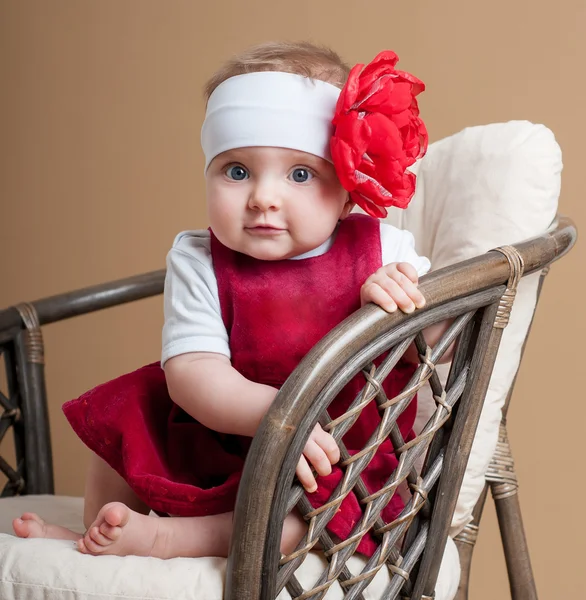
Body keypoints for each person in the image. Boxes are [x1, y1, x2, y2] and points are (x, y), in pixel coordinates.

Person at [13, 41, 437, 559]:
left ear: (347, 191)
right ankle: (95, 531)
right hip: (225, 434)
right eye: (236, 171)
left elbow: (435, 353)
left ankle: (167, 539)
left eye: (300, 174)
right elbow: (194, 372)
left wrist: (396, 304)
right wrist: (277, 416)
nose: (262, 197)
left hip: (334, 452)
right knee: (123, 413)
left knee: (298, 527)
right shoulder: (197, 259)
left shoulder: (382, 249)